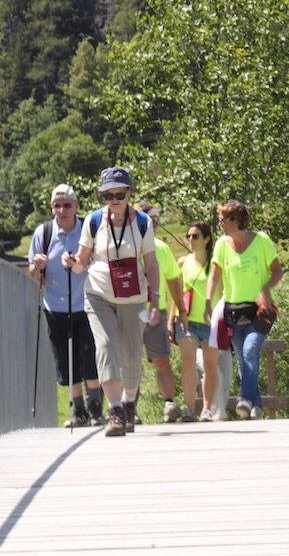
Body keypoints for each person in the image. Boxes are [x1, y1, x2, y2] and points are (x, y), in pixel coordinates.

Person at [62, 167, 160, 437]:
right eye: (108, 195)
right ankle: (114, 410)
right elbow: (82, 263)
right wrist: (71, 262)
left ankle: (128, 403)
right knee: (105, 347)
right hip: (99, 293)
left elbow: (151, 265)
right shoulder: (94, 221)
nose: (114, 200)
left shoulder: (142, 222)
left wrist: (155, 299)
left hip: (133, 296)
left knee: (132, 356)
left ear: (129, 193)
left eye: (119, 194)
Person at [27, 184, 104, 427]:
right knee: (66, 361)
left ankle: (95, 408)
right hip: (55, 307)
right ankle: (79, 410)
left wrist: (78, 263)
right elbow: (33, 272)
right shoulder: (44, 232)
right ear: (52, 208)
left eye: (67, 205)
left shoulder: (88, 229)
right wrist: (37, 267)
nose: (62, 211)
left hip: (87, 304)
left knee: (89, 356)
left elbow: (99, 263)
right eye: (57, 206)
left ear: (76, 206)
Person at [204, 200, 283, 420]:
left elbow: (277, 270)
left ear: (236, 220)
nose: (220, 224)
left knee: (249, 351)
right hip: (233, 311)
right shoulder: (222, 244)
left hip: (259, 310)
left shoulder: (262, 241)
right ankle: (255, 405)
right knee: (243, 359)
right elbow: (214, 276)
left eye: (223, 220)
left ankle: (245, 399)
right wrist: (209, 301)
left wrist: (265, 289)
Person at [136, 202, 188, 422]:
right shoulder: (125, 247)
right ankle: (129, 409)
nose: (155, 224)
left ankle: (169, 404)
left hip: (157, 313)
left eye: (155, 220)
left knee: (162, 360)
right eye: (150, 219)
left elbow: (174, 280)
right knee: (130, 363)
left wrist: (182, 311)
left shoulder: (162, 248)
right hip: (129, 312)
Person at [167, 221, 219, 422]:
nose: (190, 240)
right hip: (187, 321)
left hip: (211, 322)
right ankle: (190, 409)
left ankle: (207, 409)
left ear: (206, 239)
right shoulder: (183, 262)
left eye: (195, 236)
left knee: (210, 367)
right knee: (188, 363)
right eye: (188, 236)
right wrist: (171, 320)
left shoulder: (216, 263)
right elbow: (177, 294)